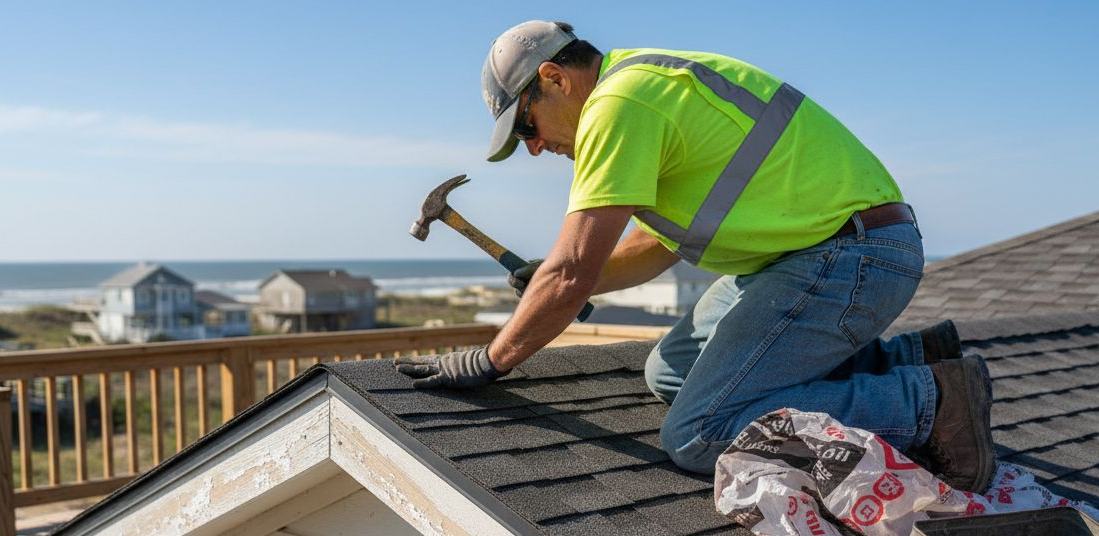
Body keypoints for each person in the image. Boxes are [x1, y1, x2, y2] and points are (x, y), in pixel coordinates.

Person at [395, 20, 996, 492]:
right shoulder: (642, 87)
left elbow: (572, 270)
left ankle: (932, 403)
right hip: (812, 256)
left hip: (849, 256)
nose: (534, 148)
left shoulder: (618, 105)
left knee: (699, 434)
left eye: (527, 126)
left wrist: (492, 360)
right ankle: (906, 358)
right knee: (669, 374)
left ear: (554, 78)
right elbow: (651, 249)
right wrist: (560, 282)